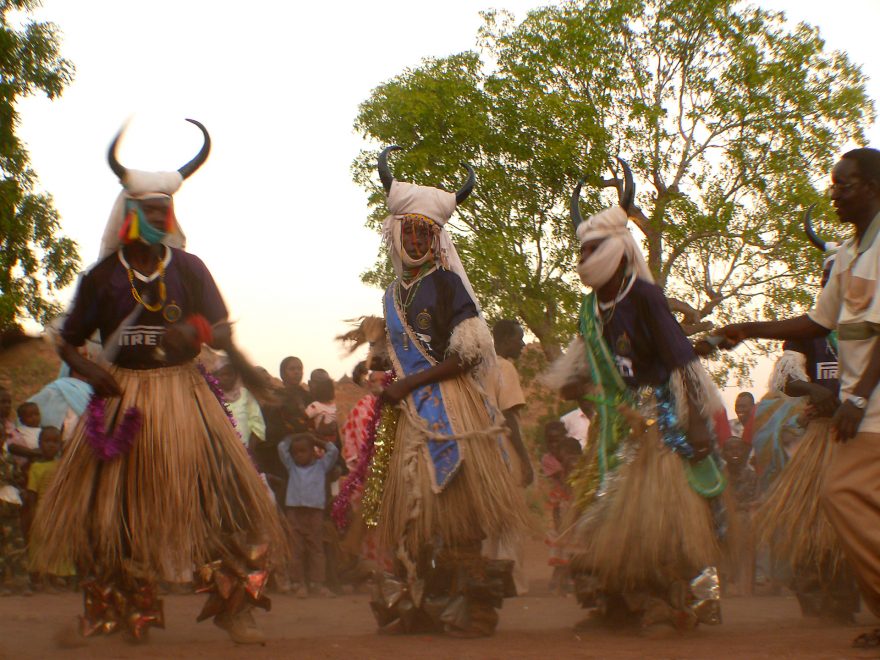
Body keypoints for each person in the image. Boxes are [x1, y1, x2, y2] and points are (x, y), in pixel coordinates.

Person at [27, 119, 284, 644]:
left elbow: (219, 329)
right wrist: (90, 369)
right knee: (112, 513)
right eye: (148, 209)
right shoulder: (101, 279)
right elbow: (67, 340)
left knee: (227, 496)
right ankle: (124, 615)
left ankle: (237, 608)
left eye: (164, 209)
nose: (157, 217)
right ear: (128, 214)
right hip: (125, 400)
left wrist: (252, 374)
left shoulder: (188, 268)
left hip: (185, 396)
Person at [347, 147, 530, 637]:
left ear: (437, 238)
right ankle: (422, 605)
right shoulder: (391, 294)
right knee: (413, 513)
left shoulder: (448, 284)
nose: (416, 237)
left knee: (457, 511)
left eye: (426, 231)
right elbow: (396, 350)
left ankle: (474, 608)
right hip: (409, 416)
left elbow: (469, 354)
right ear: (396, 231)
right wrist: (383, 374)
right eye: (409, 228)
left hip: (453, 411)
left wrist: (410, 382)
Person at [545, 159, 727, 631]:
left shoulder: (645, 298)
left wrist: (696, 420)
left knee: (655, 518)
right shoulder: (591, 309)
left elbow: (683, 360)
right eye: (581, 250)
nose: (584, 258)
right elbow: (580, 374)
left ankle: (675, 601)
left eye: (593, 249)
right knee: (604, 510)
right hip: (617, 426)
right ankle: (617, 605)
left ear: (621, 252)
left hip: (657, 422)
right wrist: (583, 386)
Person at [714, 147, 880, 647]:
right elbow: (815, 323)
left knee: (840, 494)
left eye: (844, 184)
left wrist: (854, 399)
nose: (834, 193)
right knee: (845, 498)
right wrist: (746, 328)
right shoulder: (850, 254)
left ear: (872, 187)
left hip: (870, 412)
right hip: (864, 413)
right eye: (833, 184)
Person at [483, 319, 534, 596]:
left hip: (480, 451)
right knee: (511, 521)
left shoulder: (477, 368)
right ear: (504, 340)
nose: (523, 344)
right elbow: (510, 417)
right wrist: (525, 460)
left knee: (488, 521)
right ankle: (510, 582)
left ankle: (486, 578)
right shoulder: (504, 367)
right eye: (519, 338)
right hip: (504, 451)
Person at [277, 433, 339, 598]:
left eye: (303, 451)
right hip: (295, 512)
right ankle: (298, 584)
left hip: (314, 513)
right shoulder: (292, 466)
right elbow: (281, 448)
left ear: (313, 452)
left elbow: (333, 451)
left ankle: (317, 584)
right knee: (296, 549)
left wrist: (317, 440)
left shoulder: (321, 466)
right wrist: (294, 437)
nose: (298, 455)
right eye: (295, 452)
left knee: (316, 549)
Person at [24, 427, 74, 591]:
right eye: (47, 441)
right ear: (39, 444)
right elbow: (32, 495)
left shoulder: (63, 466)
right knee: (41, 544)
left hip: (59, 512)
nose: (51, 446)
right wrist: (32, 516)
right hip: (42, 511)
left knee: (57, 545)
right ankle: (42, 578)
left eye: (55, 442)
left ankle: (55, 576)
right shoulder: (36, 467)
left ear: (60, 445)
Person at [213, 359, 266, 453]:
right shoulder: (211, 397)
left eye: (230, 374)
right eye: (223, 374)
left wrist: (248, 450)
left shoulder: (245, 395)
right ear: (216, 377)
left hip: (245, 451)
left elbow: (258, 424)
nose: (226, 378)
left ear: (236, 376)